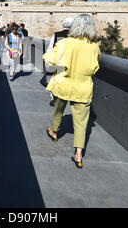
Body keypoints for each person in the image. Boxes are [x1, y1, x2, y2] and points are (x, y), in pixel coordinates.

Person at [42, 14, 101, 169]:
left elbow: (49, 59)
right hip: (83, 87)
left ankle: (54, 132)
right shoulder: (94, 47)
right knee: (82, 123)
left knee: (58, 110)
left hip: (63, 84)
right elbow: (95, 66)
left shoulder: (65, 43)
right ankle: (78, 154)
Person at [45, 18, 74, 106]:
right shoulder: (75, 36)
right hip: (70, 61)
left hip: (58, 60)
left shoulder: (57, 34)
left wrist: (47, 60)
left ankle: (54, 97)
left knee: (56, 79)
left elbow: (50, 48)